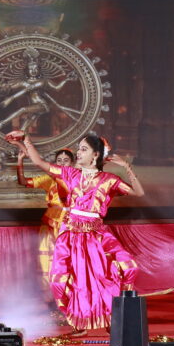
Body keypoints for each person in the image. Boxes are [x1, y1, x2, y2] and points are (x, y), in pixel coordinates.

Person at [16, 132, 143, 335]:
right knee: (68, 280)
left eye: (83, 149)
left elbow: (138, 192)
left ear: (95, 155)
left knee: (117, 271)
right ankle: (79, 321)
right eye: (79, 149)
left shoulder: (109, 180)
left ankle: (112, 316)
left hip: (96, 235)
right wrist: (26, 139)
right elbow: (39, 162)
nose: (78, 152)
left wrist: (126, 167)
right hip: (71, 236)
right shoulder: (70, 174)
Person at [16, 147, 72, 289]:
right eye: (59, 160)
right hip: (51, 225)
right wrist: (20, 161)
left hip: (72, 226)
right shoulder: (49, 179)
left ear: (72, 163)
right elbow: (23, 182)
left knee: (70, 260)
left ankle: (71, 295)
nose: (62, 163)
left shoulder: (79, 180)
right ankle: (51, 295)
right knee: (48, 260)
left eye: (66, 160)